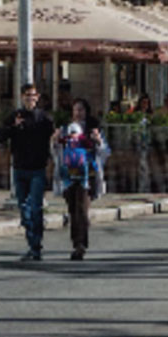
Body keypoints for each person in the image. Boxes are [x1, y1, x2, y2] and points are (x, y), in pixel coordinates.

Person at [0, 83, 55, 261]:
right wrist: (13, 127)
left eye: (33, 95)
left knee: (36, 209)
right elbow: (0, 136)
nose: (30, 99)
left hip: (38, 169)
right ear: (22, 97)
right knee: (24, 210)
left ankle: (36, 246)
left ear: (37, 98)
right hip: (20, 169)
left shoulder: (44, 118)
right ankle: (32, 242)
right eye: (27, 95)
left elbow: (54, 139)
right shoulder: (15, 116)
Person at [55, 100, 108, 260]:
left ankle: (81, 244)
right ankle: (76, 242)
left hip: (87, 176)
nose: (78, 113)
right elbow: (57, 150)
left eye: (81, 110)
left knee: (82, 209)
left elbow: (104, 151)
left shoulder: (92, 130)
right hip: (68, 177)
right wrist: (54, 140)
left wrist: (98, 141)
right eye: (75, 110)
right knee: (73, 210)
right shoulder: (65, 130)